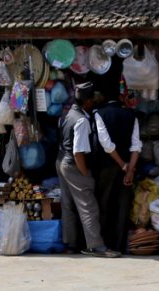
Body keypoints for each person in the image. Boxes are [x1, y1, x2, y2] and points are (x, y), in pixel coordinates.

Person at [56, 81, 120, 257]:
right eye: (93, 99)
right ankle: (96, 246)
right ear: (88, 101)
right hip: (73, 164)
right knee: (88, 206)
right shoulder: (82, 120)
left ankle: (70, 244)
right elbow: (78, 152)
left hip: (61, 161)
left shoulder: (68, 114)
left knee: (68, 205)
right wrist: (85, 174)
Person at [93, 89, 141, 254]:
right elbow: (136, 146)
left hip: (108, 166)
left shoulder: (100, 114)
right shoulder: (131, 115)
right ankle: (119, 245)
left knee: (104, 204)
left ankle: (105, 245)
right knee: (122, 206)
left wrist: (122, 165)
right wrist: (130, 170)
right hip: (127, 165)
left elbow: (106, 143)